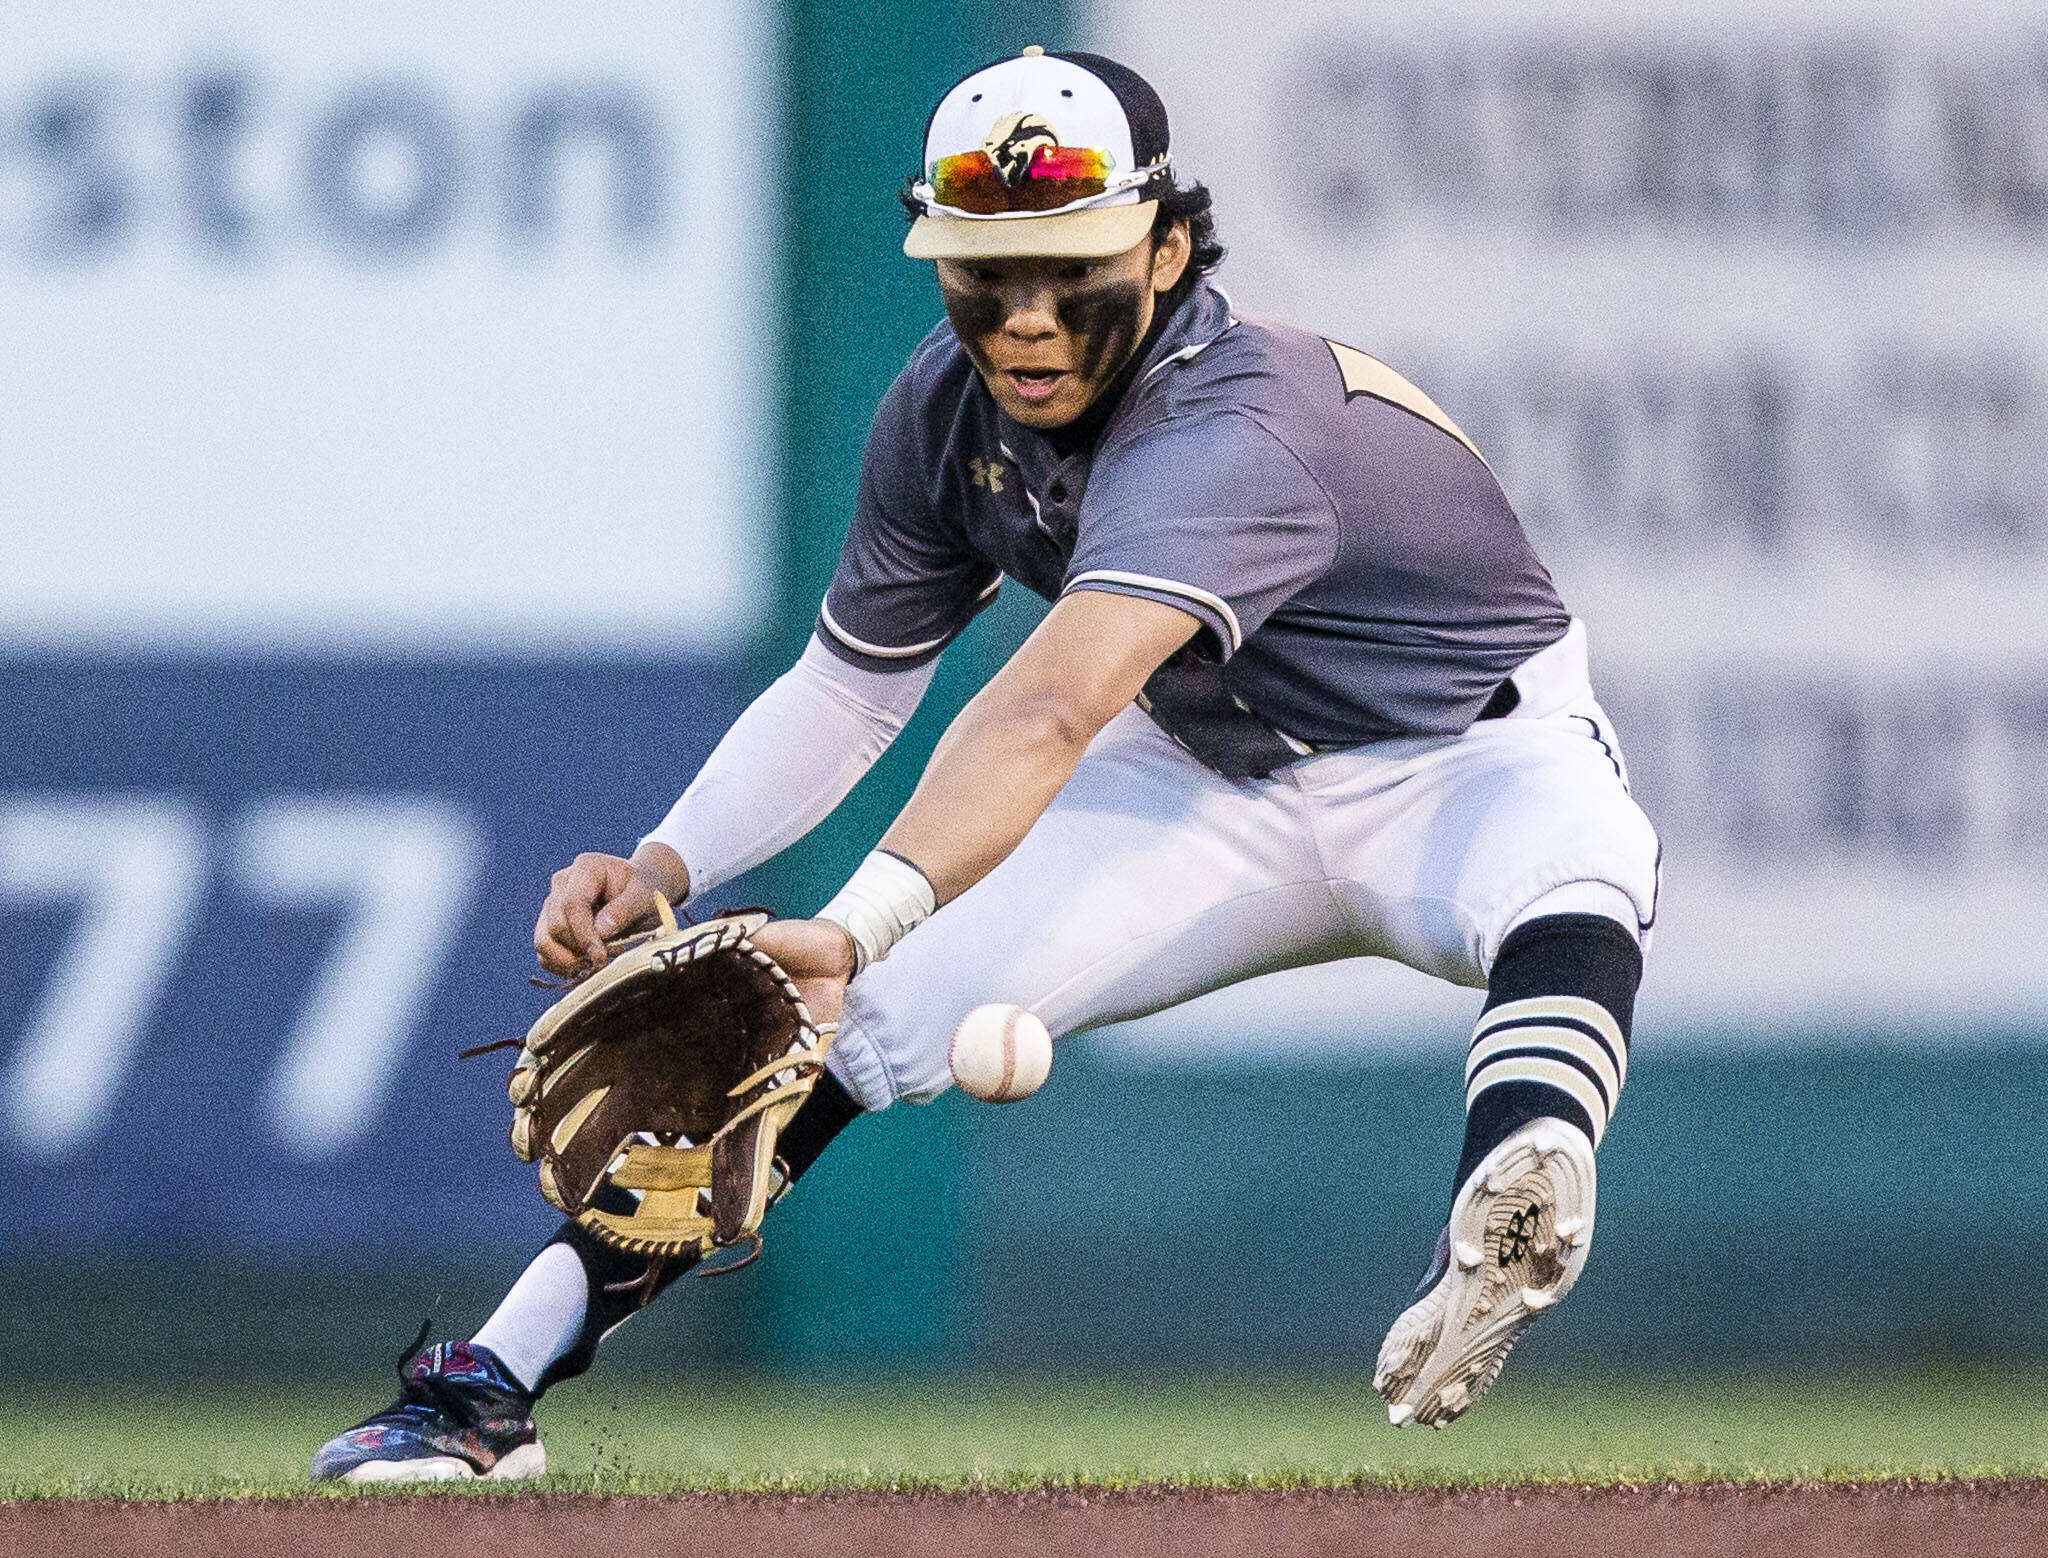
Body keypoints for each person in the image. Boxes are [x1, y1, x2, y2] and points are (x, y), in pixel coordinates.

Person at [311, 46, 1659, 1482]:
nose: (1021, 318)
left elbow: (1048, 714)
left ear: (1167, 248)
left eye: (1066, 267)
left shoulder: (1230, 425)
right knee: (828, 1027)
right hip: (1203, 775)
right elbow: (846, 685)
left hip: (1466, 752)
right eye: (981, 271)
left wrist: (849, 917)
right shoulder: (944, 408)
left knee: (1578, 871)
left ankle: (1516, 1183)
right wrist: (668, 859)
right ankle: (488, 1392)